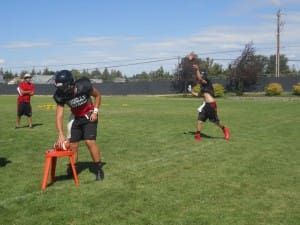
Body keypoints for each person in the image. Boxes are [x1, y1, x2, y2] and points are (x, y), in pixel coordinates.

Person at [53, 70, 105, 181]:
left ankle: (98, 170)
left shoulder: (83, 86)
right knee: (73, 145)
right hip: (76, 118)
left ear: (70, 83)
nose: (60, 90)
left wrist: (95, 111)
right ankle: (73, 169)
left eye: (62, 87)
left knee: (89, 142)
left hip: (89, 115)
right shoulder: (60, 95)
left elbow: (98, 95)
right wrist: (61, 134)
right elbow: (59, 115)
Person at [187, 53, 230, 141]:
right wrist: (191, 92)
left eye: (202, 76)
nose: (201, 77)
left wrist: (197, 69)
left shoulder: (207, 81)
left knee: (215, 122)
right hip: (205, 105)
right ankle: (198, 136)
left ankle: (224, 129)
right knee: (199, 120)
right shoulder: (202, 87)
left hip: (211, 105)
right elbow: (198, 95)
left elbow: (199, 78)